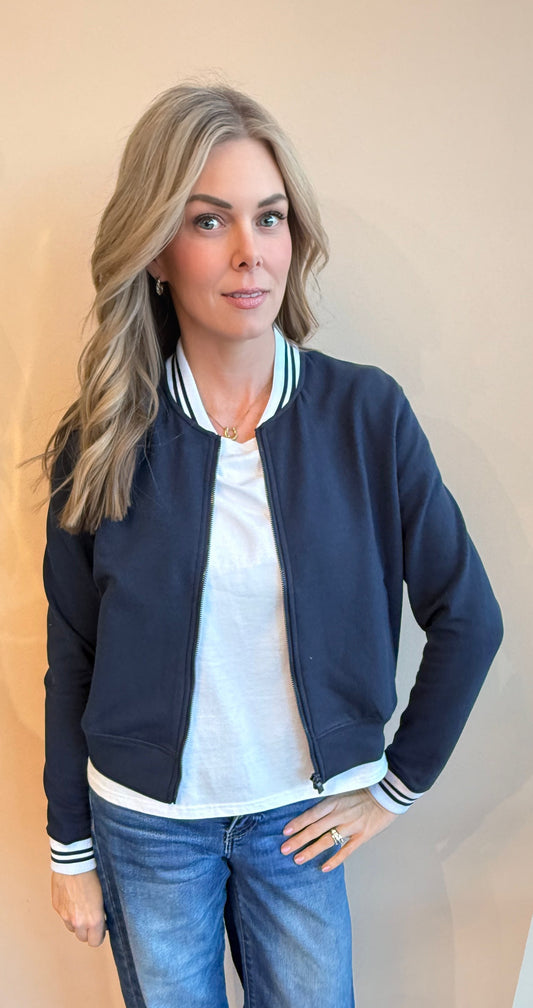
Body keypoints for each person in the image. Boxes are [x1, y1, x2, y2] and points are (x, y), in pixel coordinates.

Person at [43, 83, 503, 1008]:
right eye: (209, 221)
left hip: (299, 819)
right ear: (157, 250)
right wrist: (71, 852)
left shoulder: (363, 416)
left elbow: (469, 620)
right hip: (146, 828)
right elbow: (74, 653)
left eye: (270, 217)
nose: (251, 252)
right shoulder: (102, 436)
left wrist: (393, 790)